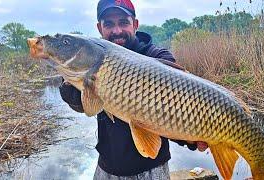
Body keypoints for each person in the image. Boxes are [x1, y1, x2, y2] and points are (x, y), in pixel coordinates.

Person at [59, 0, 208, 179]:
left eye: (123, 22)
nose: (116, 31)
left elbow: (174, 112)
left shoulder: (157, 57)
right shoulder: (94, 58)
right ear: (99, 28)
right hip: (107, 167)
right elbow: (80, 105)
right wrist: (67, 76)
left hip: (152, 168)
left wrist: (190, 139)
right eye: (109, 24)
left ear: (135, 24)